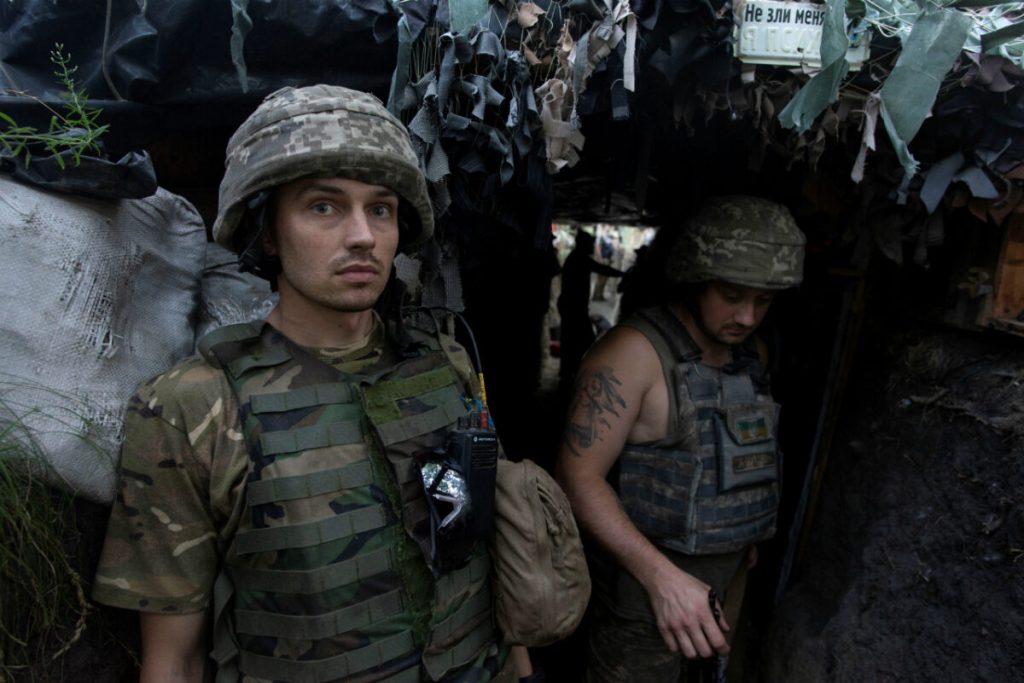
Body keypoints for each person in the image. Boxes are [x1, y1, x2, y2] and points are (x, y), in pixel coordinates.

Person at [93, 85, 521, 683]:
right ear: (268, 234)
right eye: (324, 207)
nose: (363, 237)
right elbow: (174, 659)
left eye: (380, 209)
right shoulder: (193, 406)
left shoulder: (444, 363)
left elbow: (485, 553)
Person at [555, 196, 805, 682]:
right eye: (732, 295)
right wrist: (662, 580)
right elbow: (576, 478)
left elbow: (736, 451)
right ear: (694, 278)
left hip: (726, 580)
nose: (749, 316)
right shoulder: (632, 354)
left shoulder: (751, 351)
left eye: (763, 300)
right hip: (649, 596)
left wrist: (741, 534)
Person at [556, 229, 624, 391]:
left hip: (571, 308)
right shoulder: (579, 259)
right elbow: (603, 269)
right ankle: (570, 376)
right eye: (591, 244)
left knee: (572, 341)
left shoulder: (576, 259)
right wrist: (624, 274)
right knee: (581, 341)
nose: (593, 247)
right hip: (574, 309)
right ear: (583, 245)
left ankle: (567, 374)